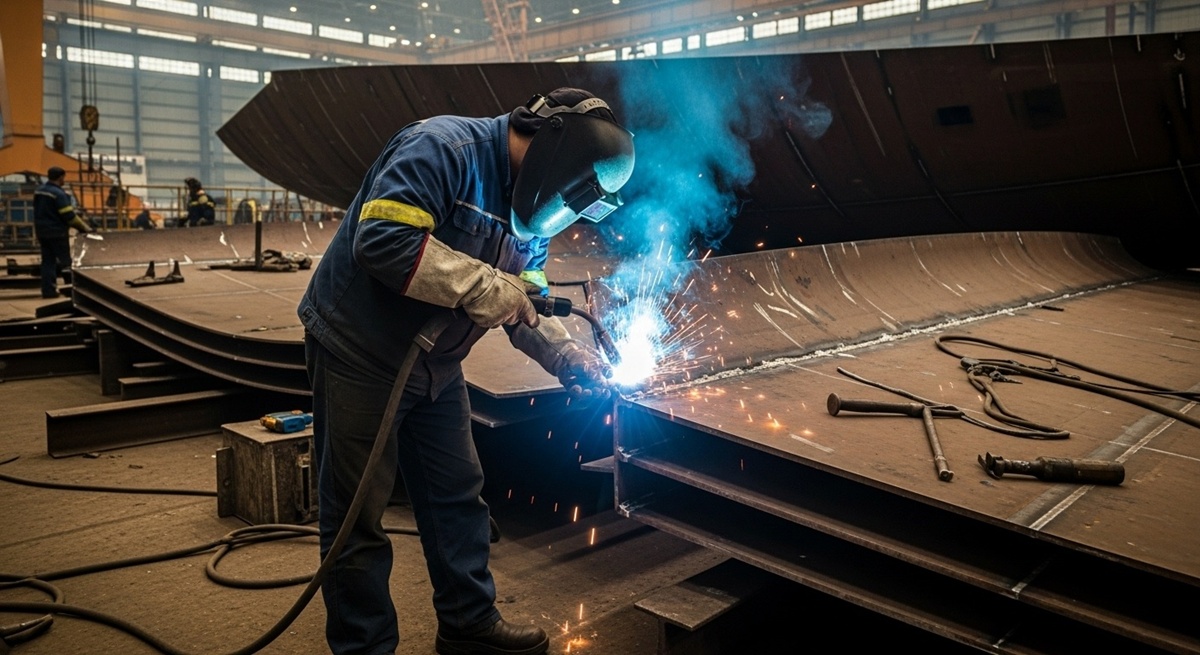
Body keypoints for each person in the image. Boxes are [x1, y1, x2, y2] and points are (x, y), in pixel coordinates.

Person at [297, 87, 635, 655]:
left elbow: (525, 297)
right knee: (357, 514)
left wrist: (567, 355)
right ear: (550, 147)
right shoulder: (442, 148)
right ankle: (364, 646)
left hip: (437, 363)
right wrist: (482, 284)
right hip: (361, 352)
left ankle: (467, 622)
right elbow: (381, 240)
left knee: (457, 495)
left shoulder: (537, 206)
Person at [33, 166, 92, 299]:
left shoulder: (39, 192)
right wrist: (85, 228)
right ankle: (72, 291)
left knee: (48, 261)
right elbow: (69, 216)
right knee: (66, 262)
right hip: (57, 233)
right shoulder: (58, 194)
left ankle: (48, 291)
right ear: (61, 177)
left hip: (42, 232)